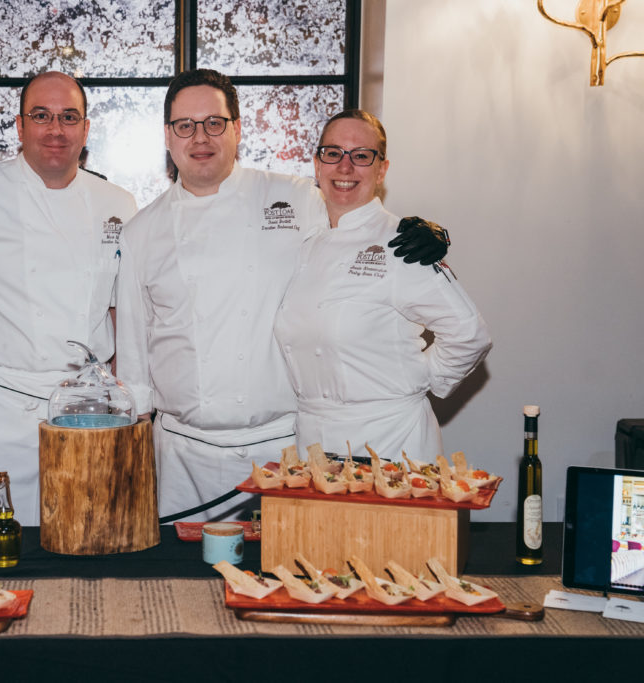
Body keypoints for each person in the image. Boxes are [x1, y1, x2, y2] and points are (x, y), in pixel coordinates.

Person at [115, 69, 449, 522]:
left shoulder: (295, 198)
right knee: (179, 586)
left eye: (214, 122)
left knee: (281, 579)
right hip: (181, 454)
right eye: (185, 125)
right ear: (168, 136)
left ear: (236, 128)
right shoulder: (140, 232)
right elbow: (133, 355)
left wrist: (426, 234)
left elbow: (359, 221)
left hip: (282, 448)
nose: (201, 137)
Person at [0, 71, 137, 524]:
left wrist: (126, 406)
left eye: (68, 117)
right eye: (41, 116)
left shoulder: (117, 203)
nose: (55, 130)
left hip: (88, 416)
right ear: (19, 127)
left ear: (86, 128)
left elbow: (126, 314)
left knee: (86, 547)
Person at [274, 109, 491, 461]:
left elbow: (469, 333)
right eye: (333, 154)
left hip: (391, 439)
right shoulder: (305, 240)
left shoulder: (400, 242)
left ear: (382, 170)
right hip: (314, 439)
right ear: (317, 165)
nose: (345, 168)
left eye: (361, 156)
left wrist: (419, 379)